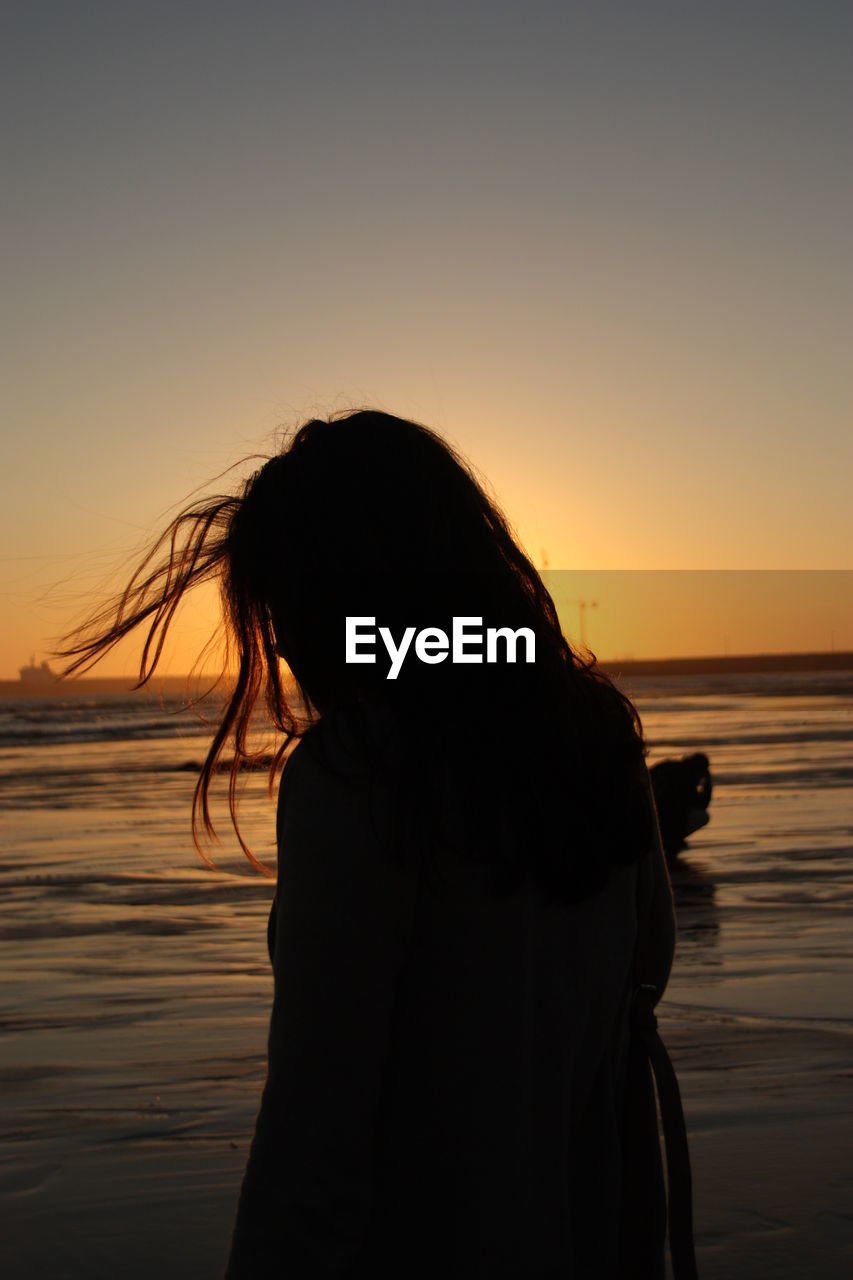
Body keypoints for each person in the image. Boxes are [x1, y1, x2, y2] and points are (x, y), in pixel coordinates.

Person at [59, 410, 675, 1277]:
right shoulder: (597, 744)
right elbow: (642, 987)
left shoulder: (359, 778)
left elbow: (312, 1141)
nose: (290, 654)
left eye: (280, 614)